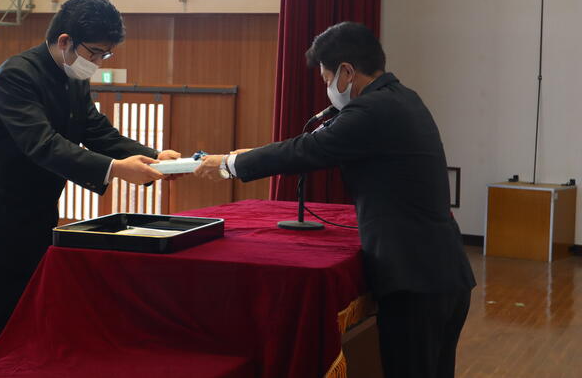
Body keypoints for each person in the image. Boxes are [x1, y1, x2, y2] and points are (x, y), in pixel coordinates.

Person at [194, 22, 475, 378]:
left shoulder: (371, 111)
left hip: (415, 280)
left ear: (347, 72)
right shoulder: (401, 98)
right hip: (441, 273)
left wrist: (228, 165)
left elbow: (308, 149)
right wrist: (247, 155)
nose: (328, 89)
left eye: (327, 79)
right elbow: (312, 142)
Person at [0, 0, 180, 365]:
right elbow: (43, 145)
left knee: (33, 333)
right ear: (64, 41)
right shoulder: (16, 75)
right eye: (95, 53)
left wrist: (156, 158)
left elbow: (97, 131)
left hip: (36, 223)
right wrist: (117, 169)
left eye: (106, 55)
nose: (98, 62)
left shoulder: (73, 78)